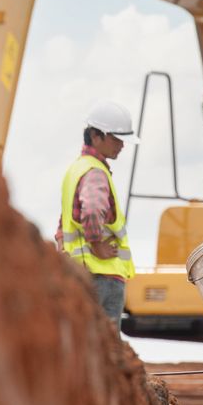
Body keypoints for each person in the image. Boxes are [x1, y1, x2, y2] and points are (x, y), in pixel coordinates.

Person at [57, 99, 136, 325]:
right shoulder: (95, 172)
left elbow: (63, 222)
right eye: (116, 138)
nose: (121, 145)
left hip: (83, 275)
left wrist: (63, 248)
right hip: (102, 277)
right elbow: (92, 211)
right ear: (95, 135)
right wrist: (96, 244)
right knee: (106, 351)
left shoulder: (77, 169)